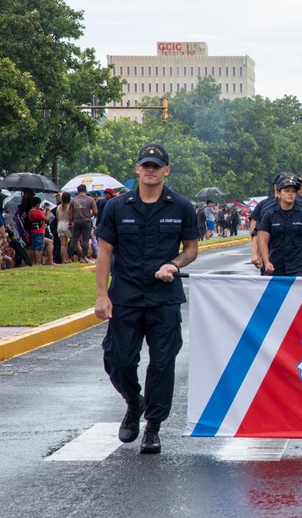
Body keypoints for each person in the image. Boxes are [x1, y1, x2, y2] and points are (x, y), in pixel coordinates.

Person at [94, 142, 199, 454]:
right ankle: (133, 401)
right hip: (125, 295)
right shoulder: (116, 207)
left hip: (163, 298)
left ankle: (153, 426)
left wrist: (174, 264)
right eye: (146, 165)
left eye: (157, 166)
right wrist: (102, 295)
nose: (150, 170)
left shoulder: (181, 207)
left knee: (163, 364)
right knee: (118, 361)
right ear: (137, 169)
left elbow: (191, 249)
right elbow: (105, 253)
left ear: (166, 170)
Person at [256, 174, 302, 277]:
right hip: (276, 265)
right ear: (278, 192)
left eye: (293, 191)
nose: (290, 194)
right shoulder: (269, 214)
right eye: (286, 191)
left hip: (299, 265)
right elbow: (263, 240)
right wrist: (266, 262)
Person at [69, 184, 96, 263]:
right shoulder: (90, 199)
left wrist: (70, 223)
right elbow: (95, 212)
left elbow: (70, 213)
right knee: (85, 240)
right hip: (87, 221)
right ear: (85, 190)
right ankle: (82, 258)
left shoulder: (73, 200)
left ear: (78, 191)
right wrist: (90, 215)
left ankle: (69, 258)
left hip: (76, 221)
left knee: (74, 240)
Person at [56, 192, 73, 264]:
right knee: (74, 241)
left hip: (60, 225)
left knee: (63, 244)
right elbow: (71, 216)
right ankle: (70, 258)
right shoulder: (69, 206)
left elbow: (58, 218)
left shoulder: (59, 207)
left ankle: (64, 259)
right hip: (67, 224)